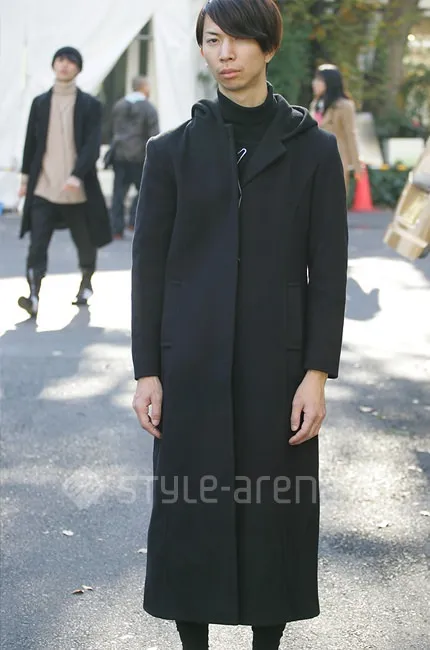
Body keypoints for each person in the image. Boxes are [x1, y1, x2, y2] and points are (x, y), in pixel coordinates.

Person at [132, 1, 348, 649]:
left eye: (238, 40)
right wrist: (148, 371)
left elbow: (328, 271)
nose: (224, 54)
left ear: (268, 46)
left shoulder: (314, 150)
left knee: (274, 514)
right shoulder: (170, 152)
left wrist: (316, 373)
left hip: (277, 367)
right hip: (190, 366)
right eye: (212, 40)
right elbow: (148, 269)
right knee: (189, 514)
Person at [18, 46, 111, 319]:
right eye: (60, 60)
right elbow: (30, 143)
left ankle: (86, 283)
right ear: (53, 65)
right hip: (43, 186)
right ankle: (33, 294)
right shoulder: (40, 103)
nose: (64, 65)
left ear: (78, 69)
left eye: (71, 61)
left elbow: (92, 146)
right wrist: (25, 180)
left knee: (85, 240)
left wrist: (76, 175)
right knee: (37, 243)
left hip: (76, 189)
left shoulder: (90, 105)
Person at [110, 76, 159, 239]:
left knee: (118, 193)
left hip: (119, 154)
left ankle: (116, 228)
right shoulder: (149, 108)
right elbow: (154, 134)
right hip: (139, 156)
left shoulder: (119, 105)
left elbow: (113, 129)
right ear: (144, 87)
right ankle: (133, 221)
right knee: (143, 191)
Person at [311, 63, 361, 191]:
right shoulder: (315, 104)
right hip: (314, 160)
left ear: (330, 82)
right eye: (315, 79)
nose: (314, 83)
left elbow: (351, 135)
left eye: (319, 80)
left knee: (333, 198)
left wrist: (357, 166)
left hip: (336, 159)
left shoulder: (345, 106)